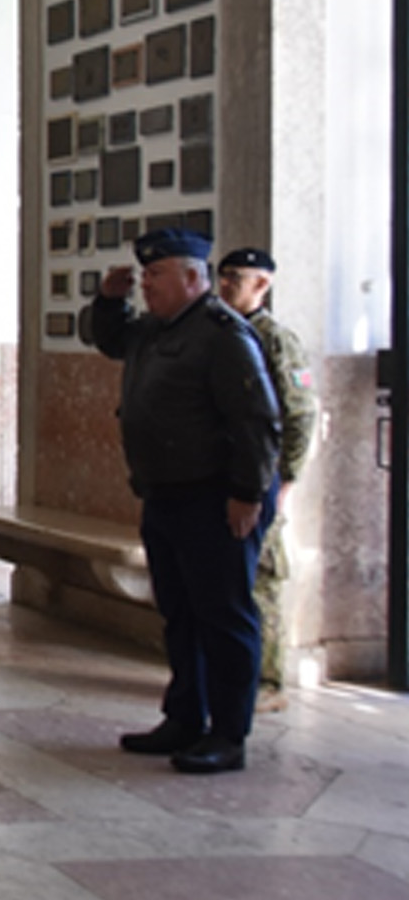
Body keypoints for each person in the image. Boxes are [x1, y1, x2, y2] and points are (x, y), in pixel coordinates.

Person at [93, 229, 281, 774]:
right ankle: (184, 717)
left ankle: (228, 733)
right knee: (180, 613)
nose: (146, 285)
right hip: (167, 494)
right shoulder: (155, 329)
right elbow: (112, 340)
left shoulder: (223, 335)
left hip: (216, 498)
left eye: (156, 275)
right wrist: (109, 300)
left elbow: (257, 421)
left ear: (193, 277)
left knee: (222, 616)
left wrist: (246, 493)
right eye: (145, 275)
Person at [215, 246, 318, 712]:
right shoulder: (220, 332)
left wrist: (285, 479)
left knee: (262, 581)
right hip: (224, 475)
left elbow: (299, 413)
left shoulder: (275, 339)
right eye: (222, 277)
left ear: (262, 284)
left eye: (236, 278)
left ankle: (267, 682)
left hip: (261, 478)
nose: (226, 286)